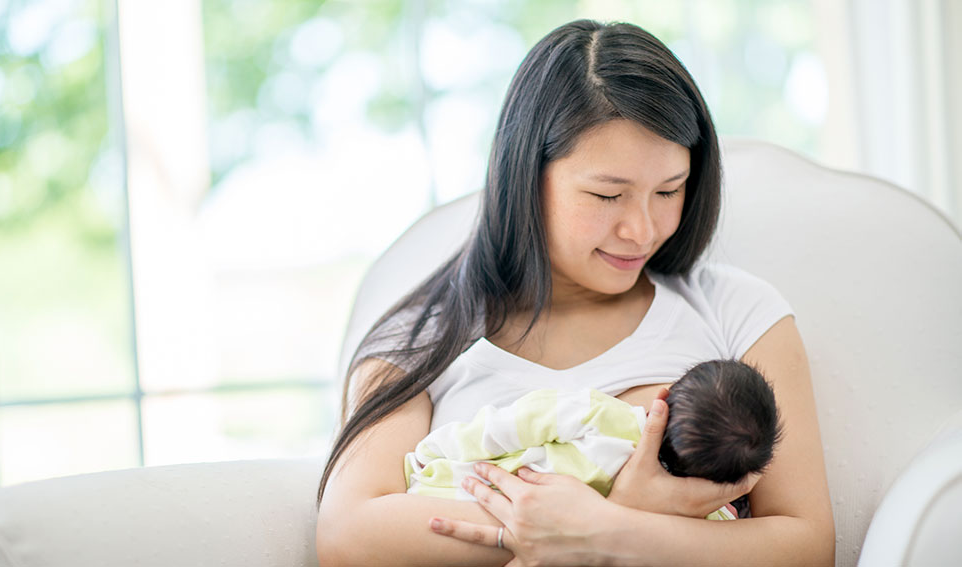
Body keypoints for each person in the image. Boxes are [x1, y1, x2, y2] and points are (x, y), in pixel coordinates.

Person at [316, 18, 834, 566]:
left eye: (668, 190)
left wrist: (612, 531)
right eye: (607, 195)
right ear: (525, 176)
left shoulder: (738, 313)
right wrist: (618, 511)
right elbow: (349, 537)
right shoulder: (420, 341)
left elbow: (805, 545)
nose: (641, 229)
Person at [405, 359, 782, 523]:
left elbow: (514, 422)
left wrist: (440, 449)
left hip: (457, 485)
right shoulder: (700, 511)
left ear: (662, 398)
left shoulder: (601, 415)